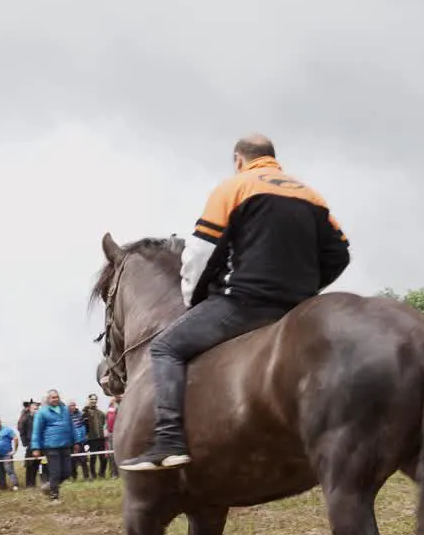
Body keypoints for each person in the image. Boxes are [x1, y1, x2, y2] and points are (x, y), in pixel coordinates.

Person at [122, 134, 351, 471]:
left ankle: (169, 440)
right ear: (273, 158)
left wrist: (193, 299)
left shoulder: (235, 186)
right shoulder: (310, 194)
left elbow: (201, 251)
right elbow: (340, 254)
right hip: (297, 309)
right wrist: (307, 288)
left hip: (245, 303)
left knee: (165, 348)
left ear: (238, 159)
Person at [31, 390, 76, 501]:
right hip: (51, 446)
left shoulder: (65, 410)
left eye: (57, 397)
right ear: (48, 399)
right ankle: (54, 496)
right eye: (53, 397)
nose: (55, 399)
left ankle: (49, 486)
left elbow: (71, 426)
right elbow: (36, 431)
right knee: (55, 472)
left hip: (66, 444)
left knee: (67, 472)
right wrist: (35, 447)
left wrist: (75, 441)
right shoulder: (42, 412)